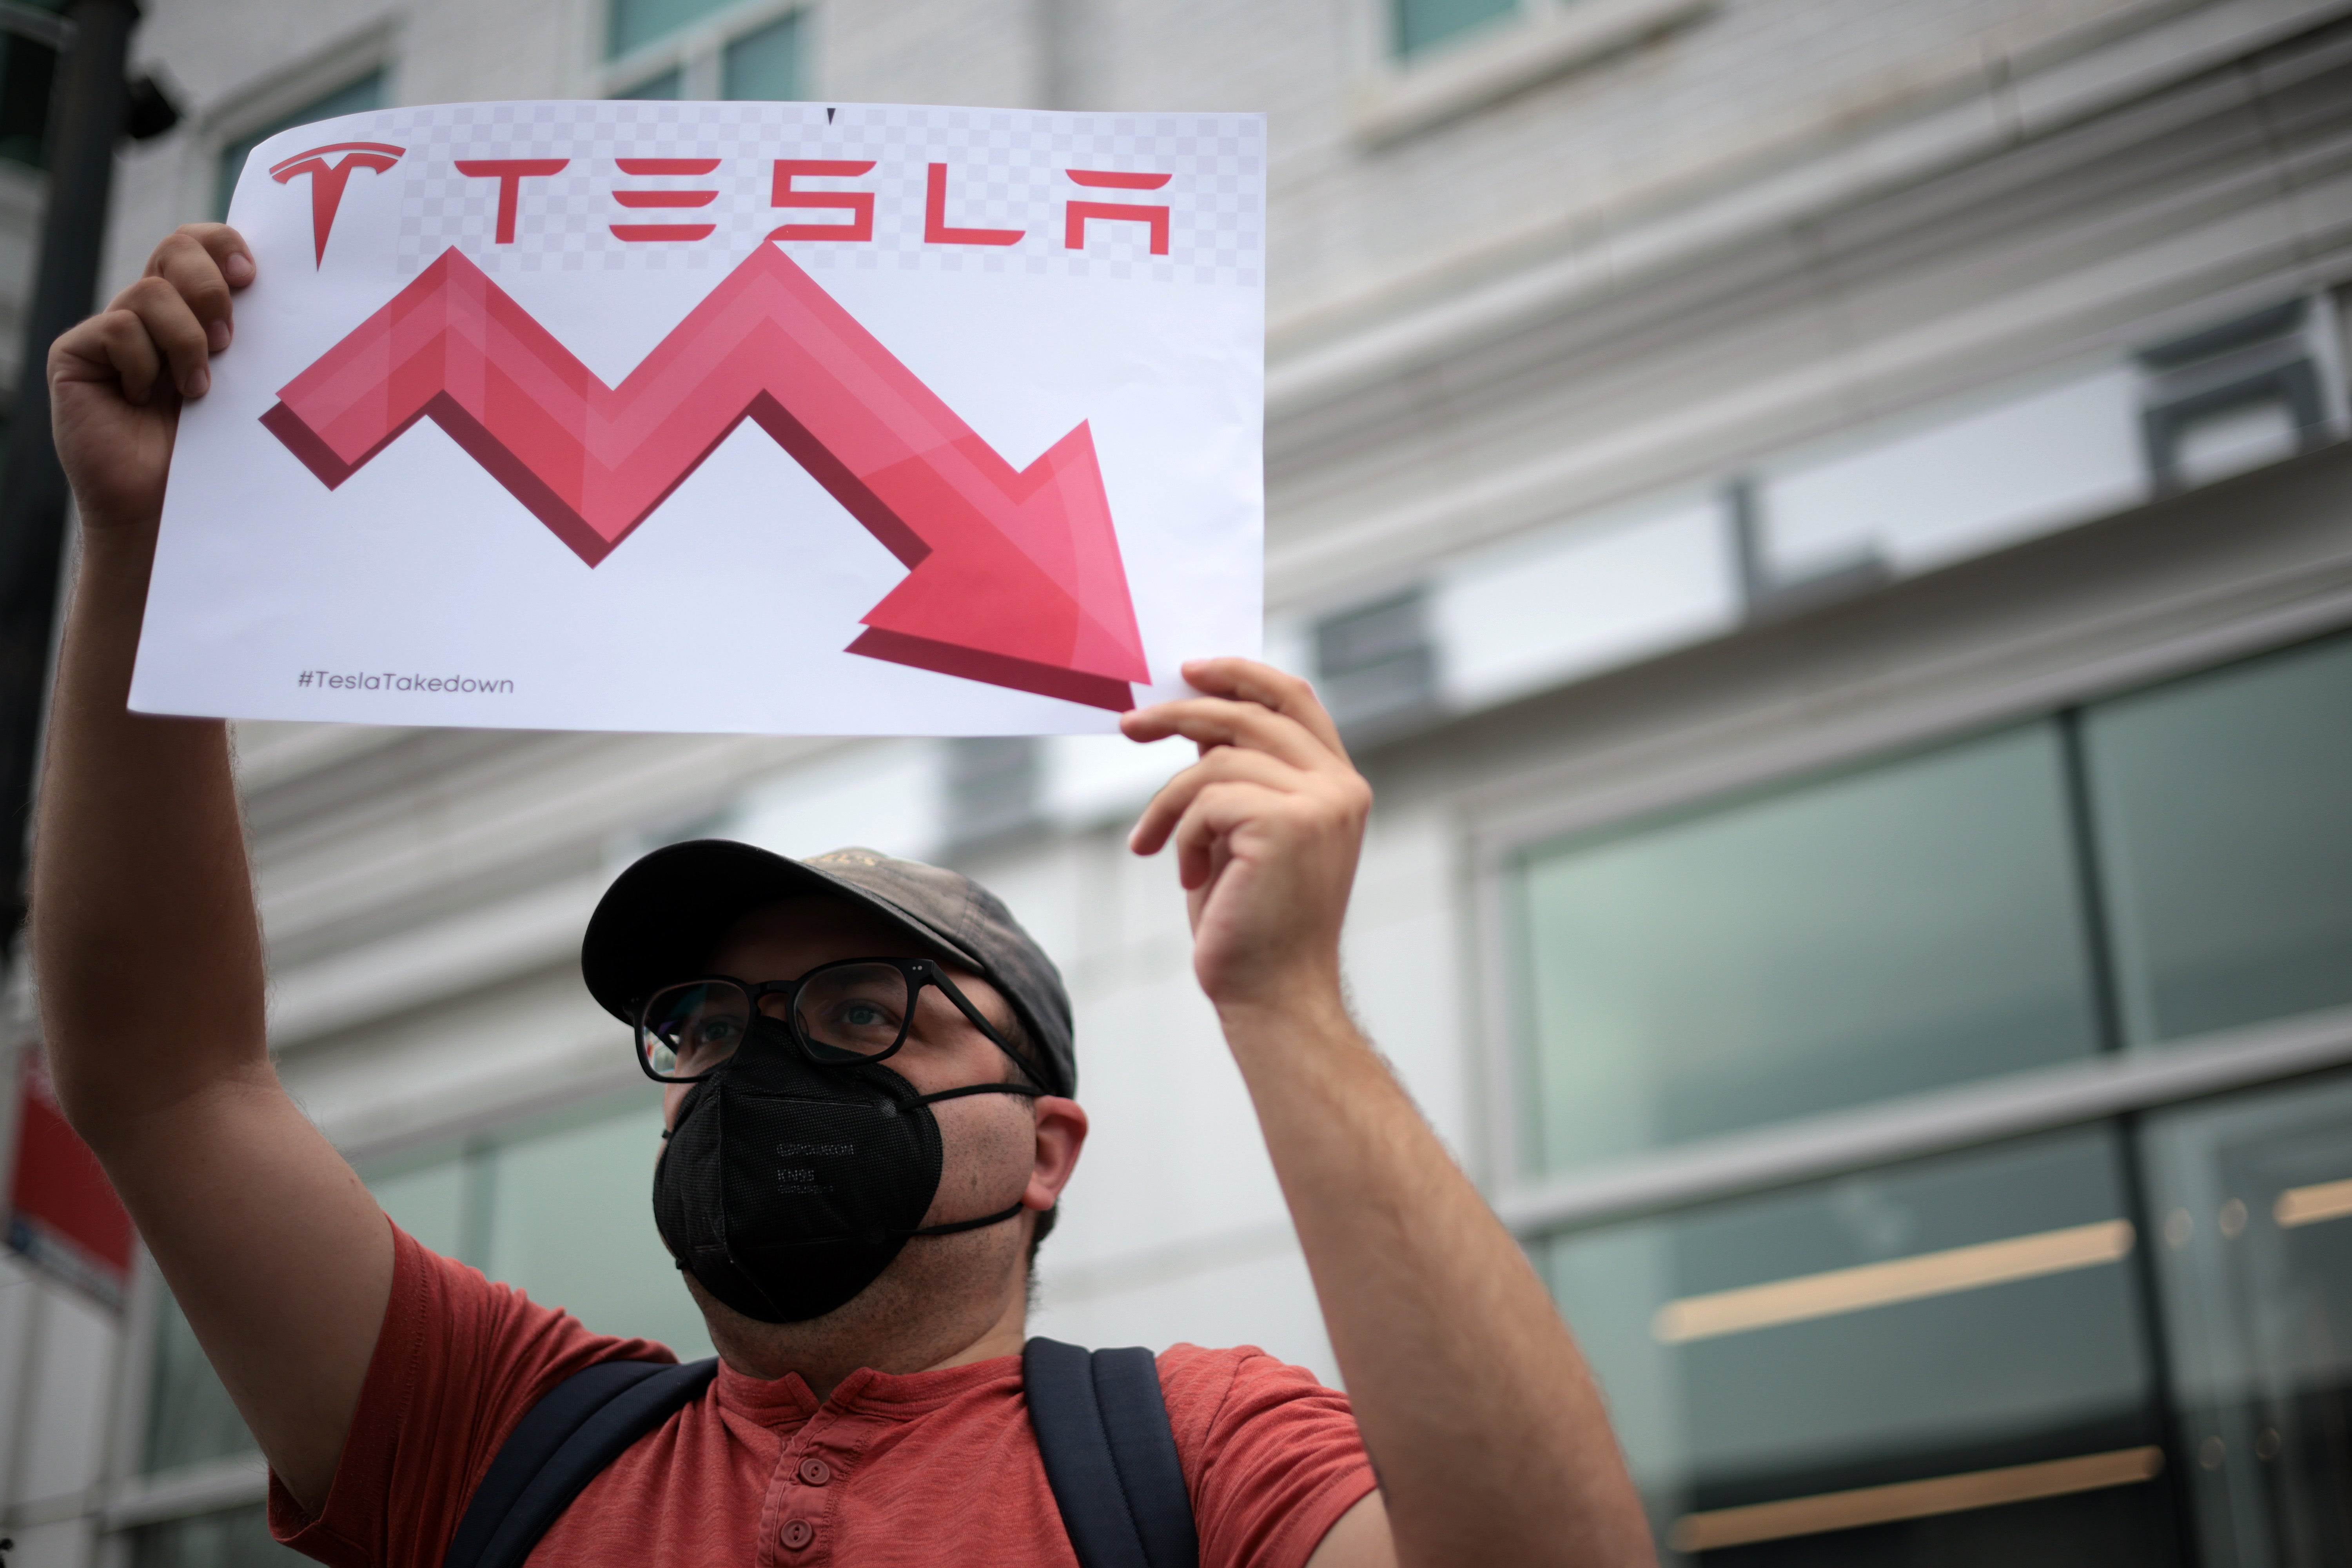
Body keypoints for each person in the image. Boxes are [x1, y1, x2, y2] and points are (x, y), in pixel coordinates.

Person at [31, 223, 1653, 1568]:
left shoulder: (1202, 1455)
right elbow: (168, 1077)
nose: (759, 1062)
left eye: (865, 1010)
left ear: (1048, 1148)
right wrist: (148, 545)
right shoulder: (495, 1435)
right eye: (704, 1020)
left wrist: (1287, 999)